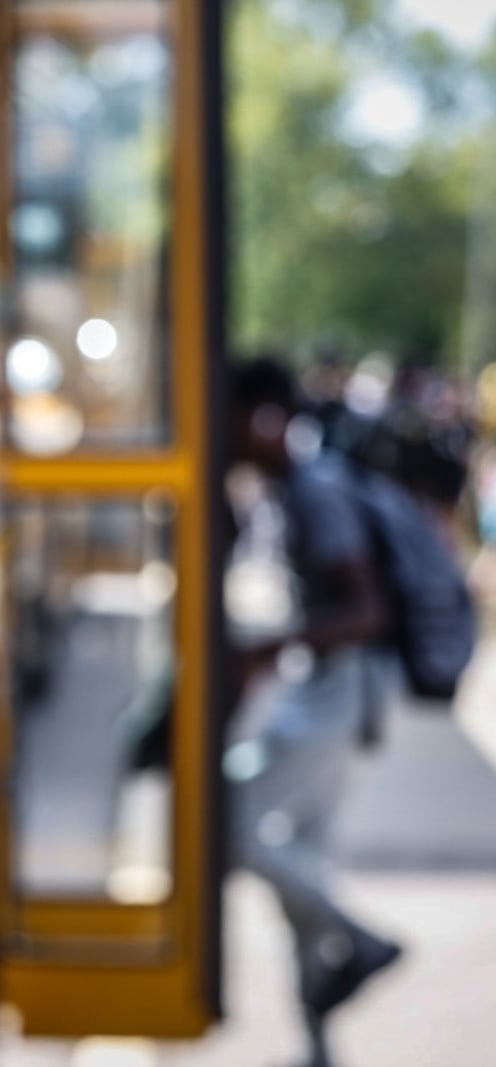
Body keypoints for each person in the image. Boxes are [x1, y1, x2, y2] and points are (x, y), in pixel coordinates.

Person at [225, 357, 402, 1067]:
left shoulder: (316, 491)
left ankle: (360, 940)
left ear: (266, 418)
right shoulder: (292, 487)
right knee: (301, 860)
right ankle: (319, 1044)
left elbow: (365, 609)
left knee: (230, 823)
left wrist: (277, 645)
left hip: (339, 692)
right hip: (334, 688)